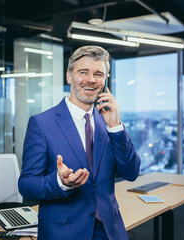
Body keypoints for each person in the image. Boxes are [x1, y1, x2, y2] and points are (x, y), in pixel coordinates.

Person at [18, 45, 141, 240]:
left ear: (105, 80)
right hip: (64, 233)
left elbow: (131, 172)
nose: (91, 80)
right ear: (69, 76)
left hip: (110, 231)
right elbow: (26, 185)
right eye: (83, 72)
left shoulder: (108, 121)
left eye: (98, 74)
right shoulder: (42, 123)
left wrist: (116, 127)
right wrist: (60, 182)